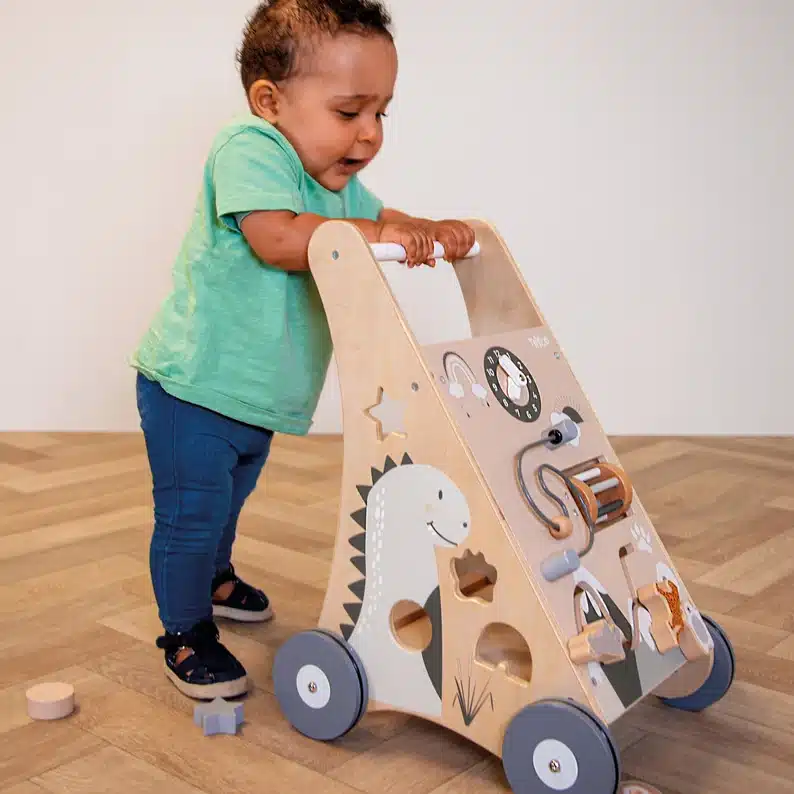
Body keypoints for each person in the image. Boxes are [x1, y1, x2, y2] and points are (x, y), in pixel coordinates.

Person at [130, 0, 476, 700]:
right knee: (191, 511)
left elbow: (379, 218)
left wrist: (426, 228)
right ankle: (185, 631)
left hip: (256, 394)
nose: (370, 134)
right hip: (193, 384)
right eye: (350, 113)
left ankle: (217, 577)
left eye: (382, 113)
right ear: (270, 101)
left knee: (228, 498)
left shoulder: (334, 184)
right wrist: (383, 238)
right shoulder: (250, 147)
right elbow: (280, 238)